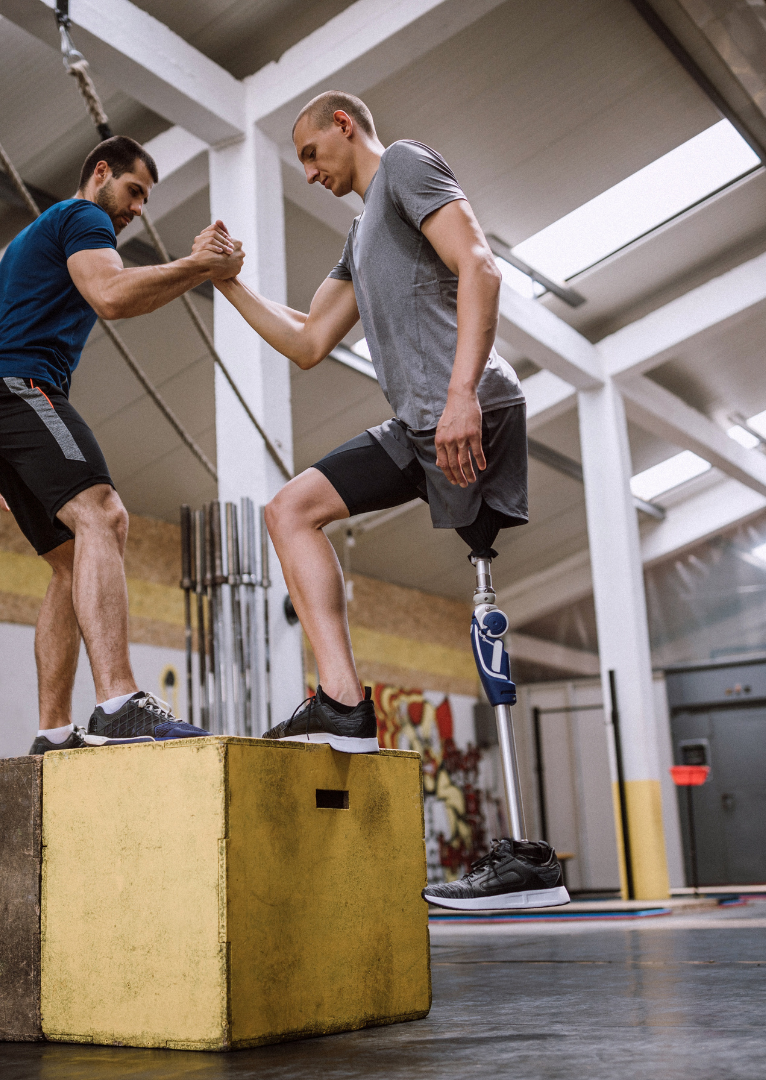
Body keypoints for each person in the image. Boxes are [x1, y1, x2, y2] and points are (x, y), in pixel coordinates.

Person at [210, 92, 566, 909]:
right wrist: (230, 285)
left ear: (343, 125)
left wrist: (463, 393)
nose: (307, 173)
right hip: (413, 423)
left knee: (484, 600)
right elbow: (306, 341)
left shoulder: (404, 163)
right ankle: (342, 702)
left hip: (471, 407)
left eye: (309, 153)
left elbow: (479, 264)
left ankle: (525, 863)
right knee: (289, 509)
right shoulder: (359, 232)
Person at [0, 136, 242, 754]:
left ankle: (53, 733)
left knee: (68, 561)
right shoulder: (83, 217)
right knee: (104, 514)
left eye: (145, 198)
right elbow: (112, 297)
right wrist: (203, 267)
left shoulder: (27, 243)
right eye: (134, 191)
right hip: (21, 388)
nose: (138, 208)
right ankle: (119, 703)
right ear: (101, 173)